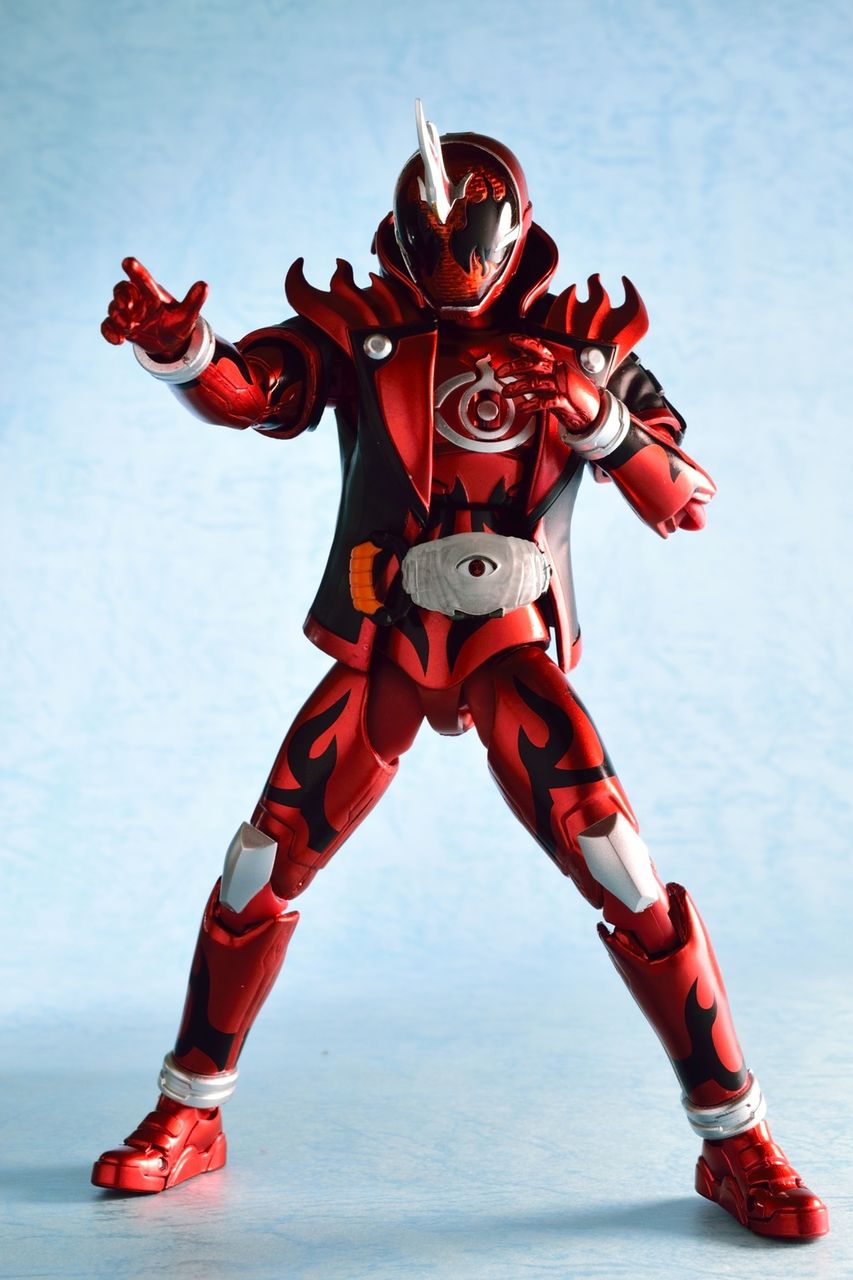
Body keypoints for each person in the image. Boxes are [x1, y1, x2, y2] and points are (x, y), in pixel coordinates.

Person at [92, 102, 827, 1240]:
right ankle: (189, 1113)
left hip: (505, 644)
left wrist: (594, 417)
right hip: (387, 636)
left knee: (619, 860)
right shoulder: (363, 336)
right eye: (428, 230)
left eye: (471, 227)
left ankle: (737, 1140)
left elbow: (683, 494)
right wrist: (180, 351)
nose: (450, 252)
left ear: (513, 231)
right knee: (259, 865)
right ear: (400, 235)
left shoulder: (582, 347)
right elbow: (253, 392)